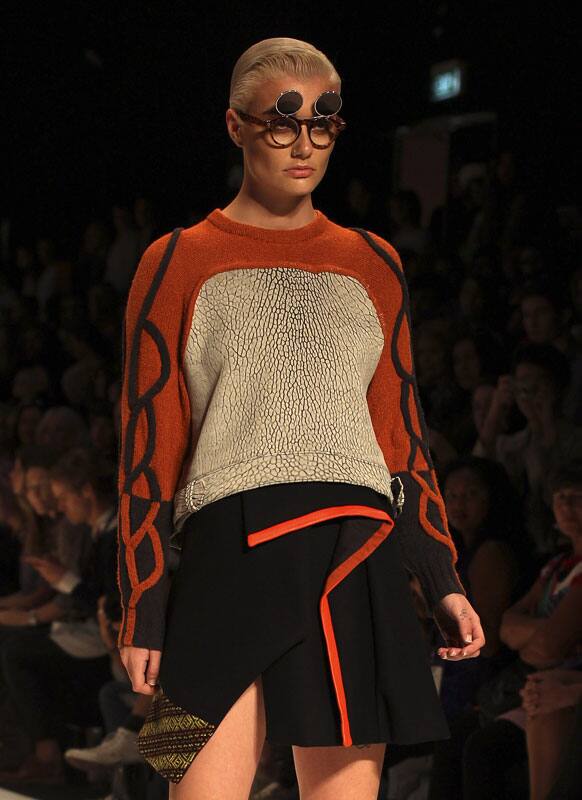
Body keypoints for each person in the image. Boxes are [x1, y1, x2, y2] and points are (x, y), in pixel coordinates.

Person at [115, 37, 485, 800]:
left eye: (325, 123)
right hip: (225, 554)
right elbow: (147, 448)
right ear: (235, 125)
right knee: (177, 772)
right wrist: (143, 607)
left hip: (358, 546)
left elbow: (401, 438)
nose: (305, 144)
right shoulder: (174, 259)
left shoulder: (375, 261)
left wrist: (441, 576)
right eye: (283, 124)